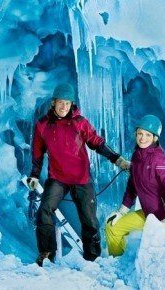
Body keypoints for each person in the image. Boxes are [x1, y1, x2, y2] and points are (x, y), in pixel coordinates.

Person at [26, 83, 130, 266]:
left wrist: (117, 159)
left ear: (71, 104)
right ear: (53, 102)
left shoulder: (80, 122)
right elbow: (37, 152)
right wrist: (34, 175)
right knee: (44, 211)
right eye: (61, 102)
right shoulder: (43, 125)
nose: (64, 107)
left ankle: (93, 258)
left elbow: (97, 143)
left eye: (68, 103)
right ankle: (47, 253)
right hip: (57, 179)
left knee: (89, 219)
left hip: (81, 179)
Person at [105, 114, 165, 256]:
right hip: (149, 215)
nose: (142, 138)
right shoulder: (137, 157)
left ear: (155, 138)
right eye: (140, 134)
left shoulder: (158, 159)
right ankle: (116, 265)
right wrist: (122, 211)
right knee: (112, 227)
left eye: (148, 135)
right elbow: (131, 187)